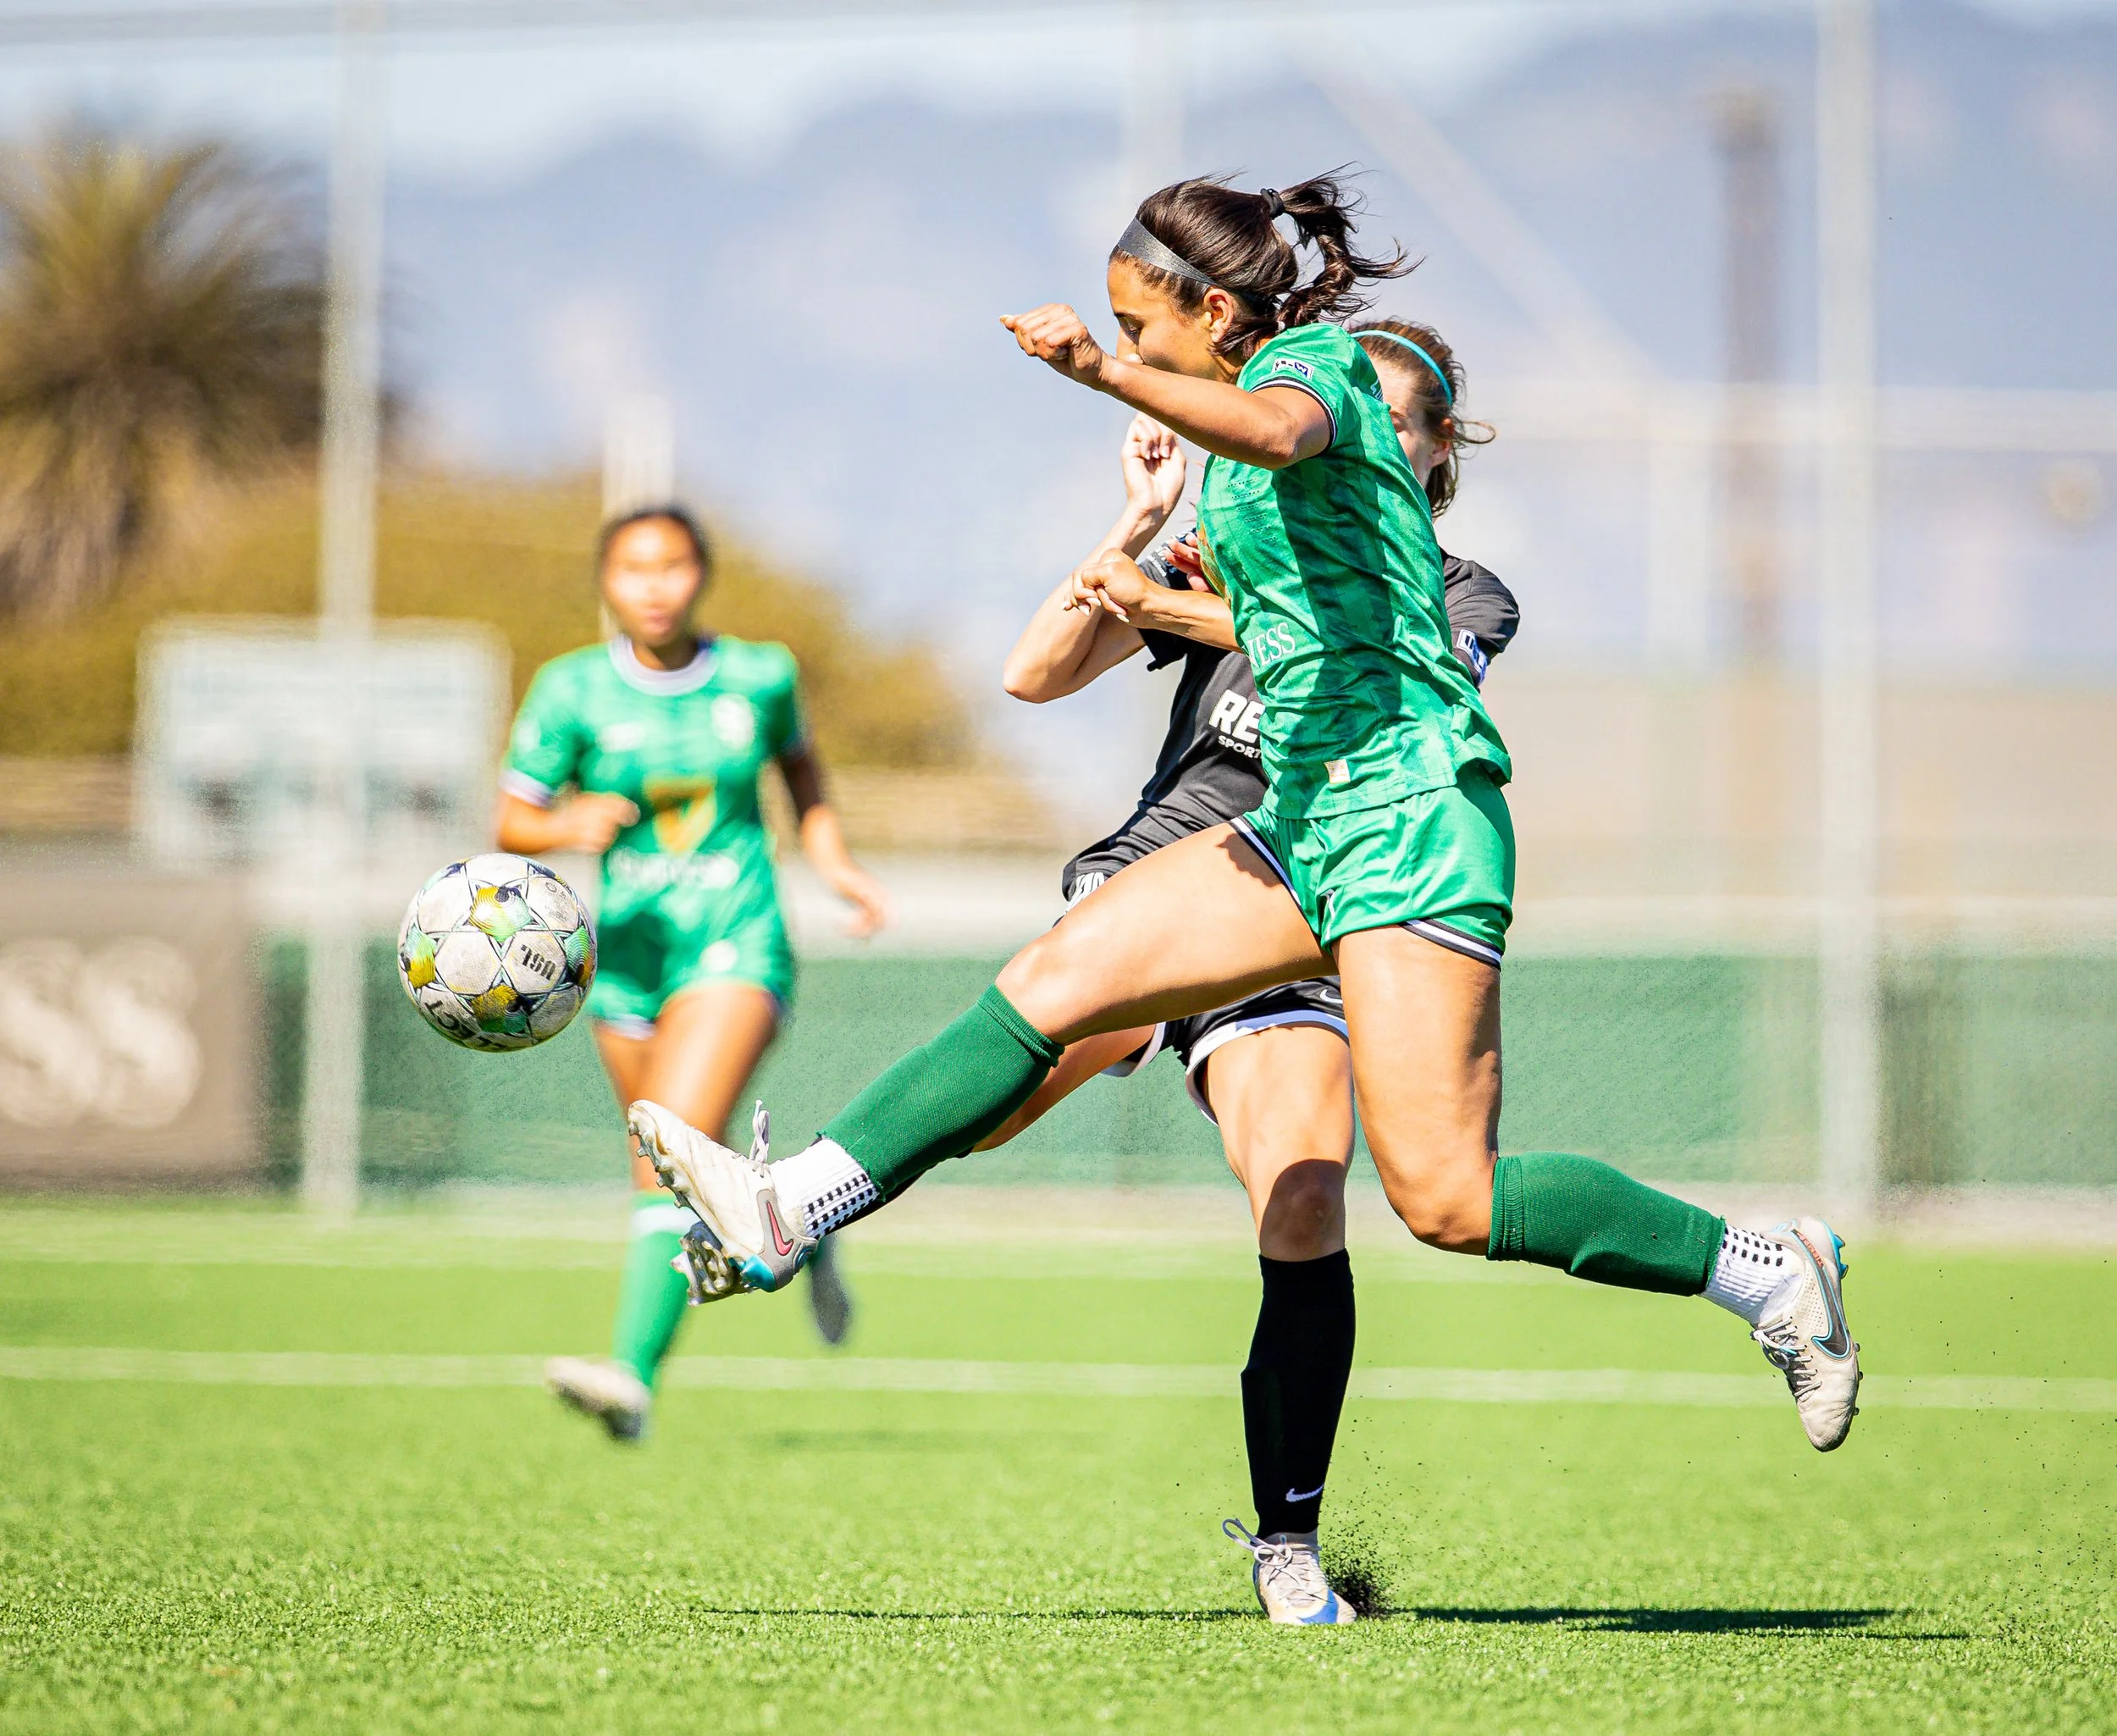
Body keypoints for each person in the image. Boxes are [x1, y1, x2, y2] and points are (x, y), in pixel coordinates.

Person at [633, 175, 1860, 1530]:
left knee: (1448, 1198)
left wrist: (1102, 374)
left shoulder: (1314, 370)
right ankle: (789, 1208)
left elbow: (1277, 432)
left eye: (1140, 323)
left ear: (1216, 312)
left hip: (1410, 819)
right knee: (1055, 982)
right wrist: (1142, 538)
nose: (1130, 342)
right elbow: (1107, 645)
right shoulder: (1227, 462)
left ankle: (1765, 1270)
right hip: (1301, 822)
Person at [974, 317, 1514, 1623]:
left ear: (1435, 449)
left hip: (1323, 905)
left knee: (1306, 1198)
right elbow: (1032, 674)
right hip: (1172, 878)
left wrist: (1173, 600)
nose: (1356, 435)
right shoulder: (1237, 541)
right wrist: (1141, 524)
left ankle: (1289, 1544)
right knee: (1005, 1096)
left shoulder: (1467, 594)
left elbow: (1352, 649)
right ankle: (816, 1197)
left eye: (1392, 421)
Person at [496, 503, 890, 1440]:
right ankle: (801, 1214)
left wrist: (834, 864)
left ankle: (630, 1379)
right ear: (606, 582)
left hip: (736, 943)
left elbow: (802, 774)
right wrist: (565, 823)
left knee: (665, 1150)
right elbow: (512, 820)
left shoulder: (760, 675)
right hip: (624, 963)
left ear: (702, 574)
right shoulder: (572, 688)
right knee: (673, 1176)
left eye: (672, 565)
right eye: (634, 568)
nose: (655, 586)